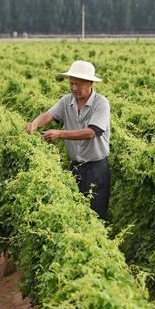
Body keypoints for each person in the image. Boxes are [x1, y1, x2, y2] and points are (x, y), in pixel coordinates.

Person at [26, 60, 111, 221]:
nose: (73, 88)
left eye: (78, 84)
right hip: (75, 168)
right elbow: (49, 115)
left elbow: (91, 132)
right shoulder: (67, 101)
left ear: (90, 83)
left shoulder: (101, 103)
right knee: (74, 212)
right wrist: (35, 123)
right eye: (71, 83)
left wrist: (60, 134)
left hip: (97, 169)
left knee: (96, 215)